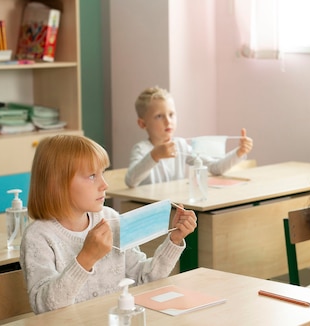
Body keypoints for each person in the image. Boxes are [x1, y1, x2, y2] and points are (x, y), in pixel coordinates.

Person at [20, 134, 198, 314]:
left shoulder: (110, 218)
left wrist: (174, 240)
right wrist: (86, 259)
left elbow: (143, 278)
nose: (104, 184)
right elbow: (45, 307)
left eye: (102, 173)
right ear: (57, 183)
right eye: (91, 176)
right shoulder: (39, 236)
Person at [125, 86, 254, 187]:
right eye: (159, 116)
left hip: (177, 209)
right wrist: (154, 156)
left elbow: (215, 168)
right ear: (142, 123)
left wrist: (239, 152)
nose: (168, 121)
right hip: (151, 212)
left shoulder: (180, 145)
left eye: (171, 114)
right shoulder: (141, 149)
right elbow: (131, 181)